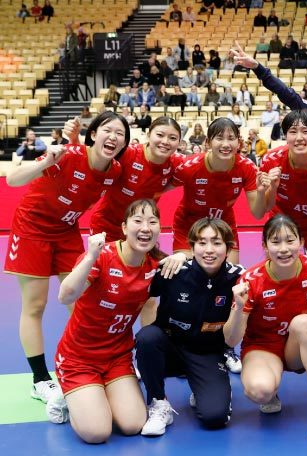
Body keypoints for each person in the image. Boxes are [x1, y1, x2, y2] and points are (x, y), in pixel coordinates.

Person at [3, 111, 126, 404]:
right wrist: (45, 161)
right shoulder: (66, 155)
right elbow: (12, 180)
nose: (113, 137)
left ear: (124, 143)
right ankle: (40, 380)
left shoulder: (114, 171)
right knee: (35, 305)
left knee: (81, 301)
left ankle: (85, 364)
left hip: (67, 231)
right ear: (93, 134)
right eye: (107, 130)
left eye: (120, 133)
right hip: (31, 229)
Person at [44, 200, 179, 442]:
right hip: (79, 359)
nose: (145, 228)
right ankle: (68, 398)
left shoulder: (155, 266)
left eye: (152, 222)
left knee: (133, 425)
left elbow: (201, 269)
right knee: (97, 433)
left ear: (160, 229)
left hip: (117, 357)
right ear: (124, 228)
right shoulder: (101, 256)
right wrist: (90, 257)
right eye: (138, 221)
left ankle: (94, 394)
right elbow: (65, 296)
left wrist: (181, 257)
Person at [226, 215, 307, 439]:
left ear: (301, 242)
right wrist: (238, 308)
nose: (284, 249)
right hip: (263, 347)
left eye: (290, 240)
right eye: (275, 242)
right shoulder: (251, 280)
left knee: (303, 322)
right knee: (260, 391)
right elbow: (231, 340)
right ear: (264, 246)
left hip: (298, 345)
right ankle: (272, 389)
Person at [136, 218, 244, 436]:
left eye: (217, 243)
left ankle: (205, 388)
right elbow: (134, 284)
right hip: (169, 349)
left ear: (228, 248)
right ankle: (158, 402)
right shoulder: (173, 271)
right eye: (202, 243)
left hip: (207, 353)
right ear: (192, 247)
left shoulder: (238, 278)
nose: (209, 250)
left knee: (215, 417)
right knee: (147, 338)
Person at [62, 116, 182, 242]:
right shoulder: (126, 154)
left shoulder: (178, 164)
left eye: (173, 138)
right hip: (107, 226)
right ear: (148, 135)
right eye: (160, 135)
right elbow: (89, 159)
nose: (165, 141)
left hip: (140, 231)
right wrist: (74, 139)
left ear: (179, 142)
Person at [171, 117, 268, 264]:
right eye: (219, 138)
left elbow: (258, 214)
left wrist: (261, 192)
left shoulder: (247, 167)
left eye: (231, 138)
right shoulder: (189, 167)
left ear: (239, 142)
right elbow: (159, 190)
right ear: (208, 142)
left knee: (231, 275)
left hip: (224, 225)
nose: (226, 144)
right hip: (188, 226)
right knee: (187, 273)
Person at [260, 109, 307, 259]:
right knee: (276, 270)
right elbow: (265, 207)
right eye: (293, 132)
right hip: (282, 220)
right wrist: (273, 187)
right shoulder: (271, 160)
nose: (299, 138)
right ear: (285, 136)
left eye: (305, 131)